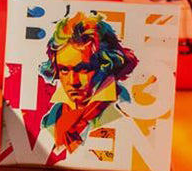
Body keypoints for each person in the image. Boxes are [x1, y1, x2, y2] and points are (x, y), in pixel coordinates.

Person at [39, 11, 138, 154]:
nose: (73, 81)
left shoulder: (124, 109)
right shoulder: (54, 115)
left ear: (106, 65)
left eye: (83, 69)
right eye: (64, 70)